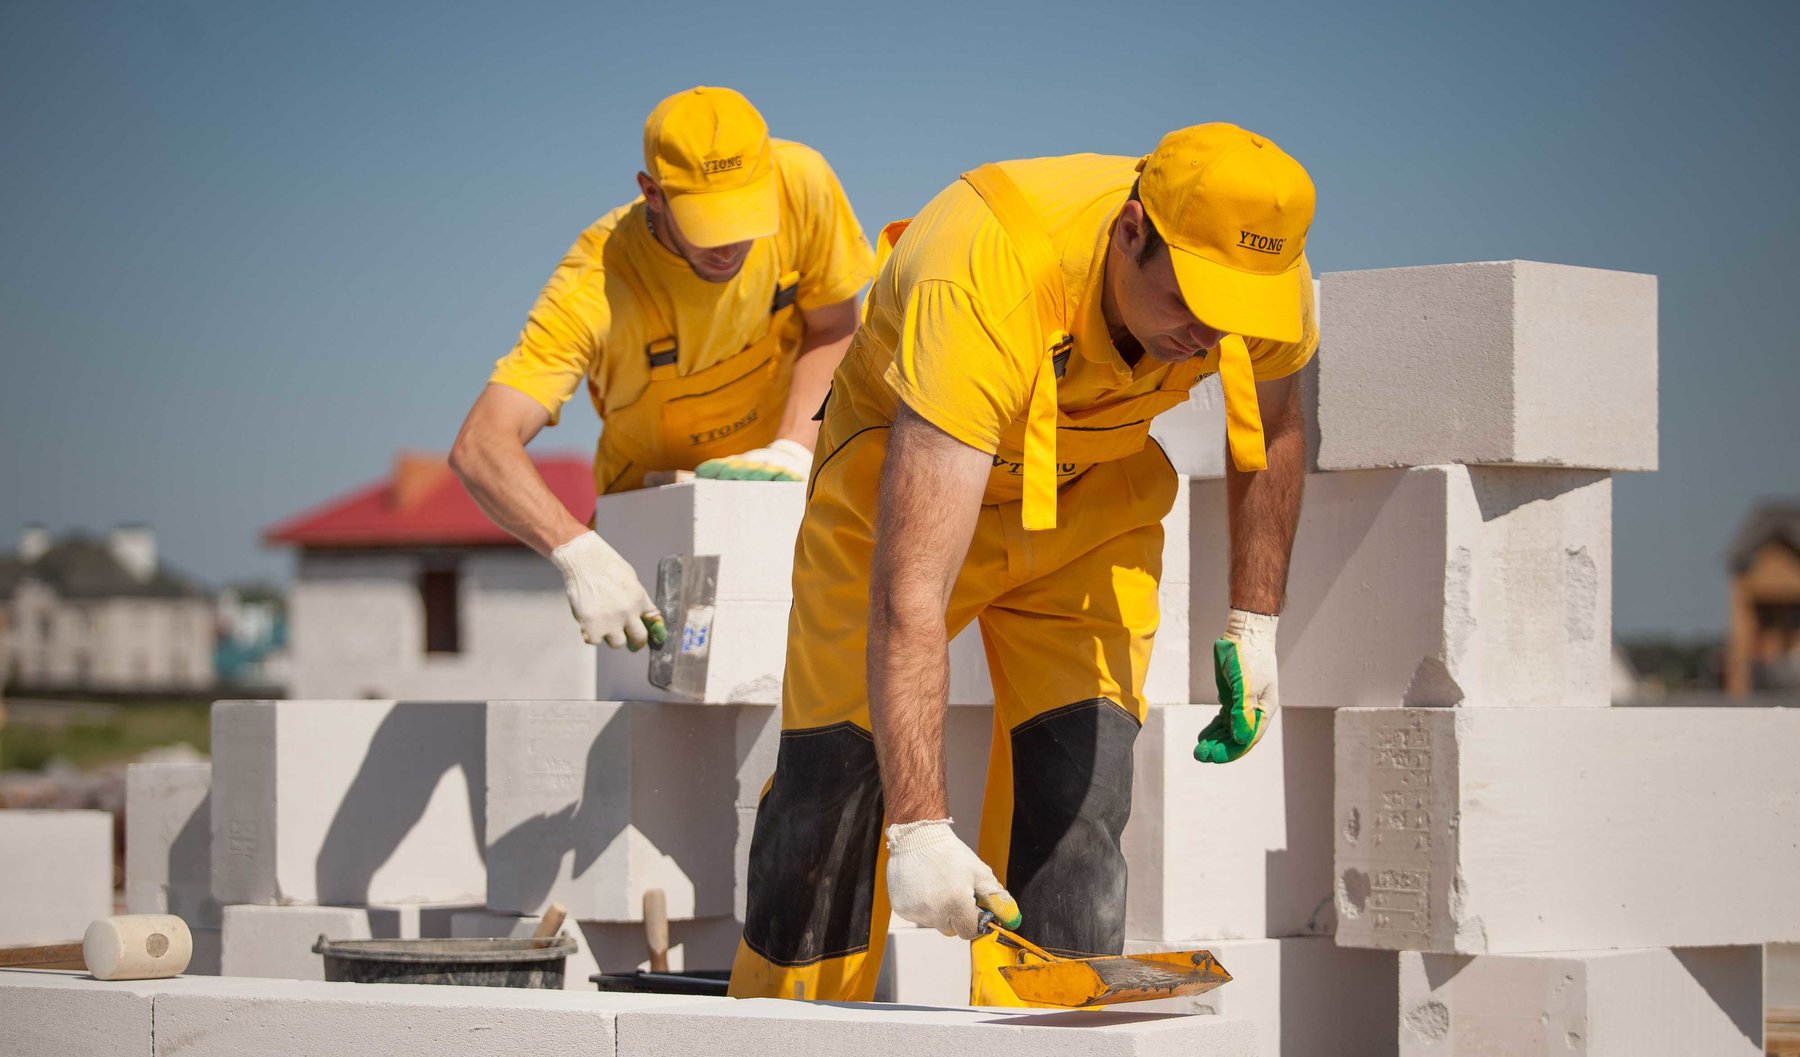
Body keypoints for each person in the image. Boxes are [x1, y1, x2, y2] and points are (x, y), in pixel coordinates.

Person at [730, 124, 1317, 1005]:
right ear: (1129, 233)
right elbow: (910, 594)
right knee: (835, 785)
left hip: (1091, 502)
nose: (1209, 335)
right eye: (1189, 302)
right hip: (898, 481)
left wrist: (1256, 619)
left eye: (1233, 316)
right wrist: (921, 828)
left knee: (1078, 796)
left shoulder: (1261, 279)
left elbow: (1272, 429)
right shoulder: (984, 273)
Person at [451, 86, 874, 652]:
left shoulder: (802, 183)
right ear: (652, 192)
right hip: (654, 512)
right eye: (707, 224)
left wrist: (793, 449)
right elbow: (482, 443)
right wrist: (576, 551)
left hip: (778, 480)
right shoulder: (594, 288)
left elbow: (833, 327)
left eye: (744, 219)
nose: (729, 246)